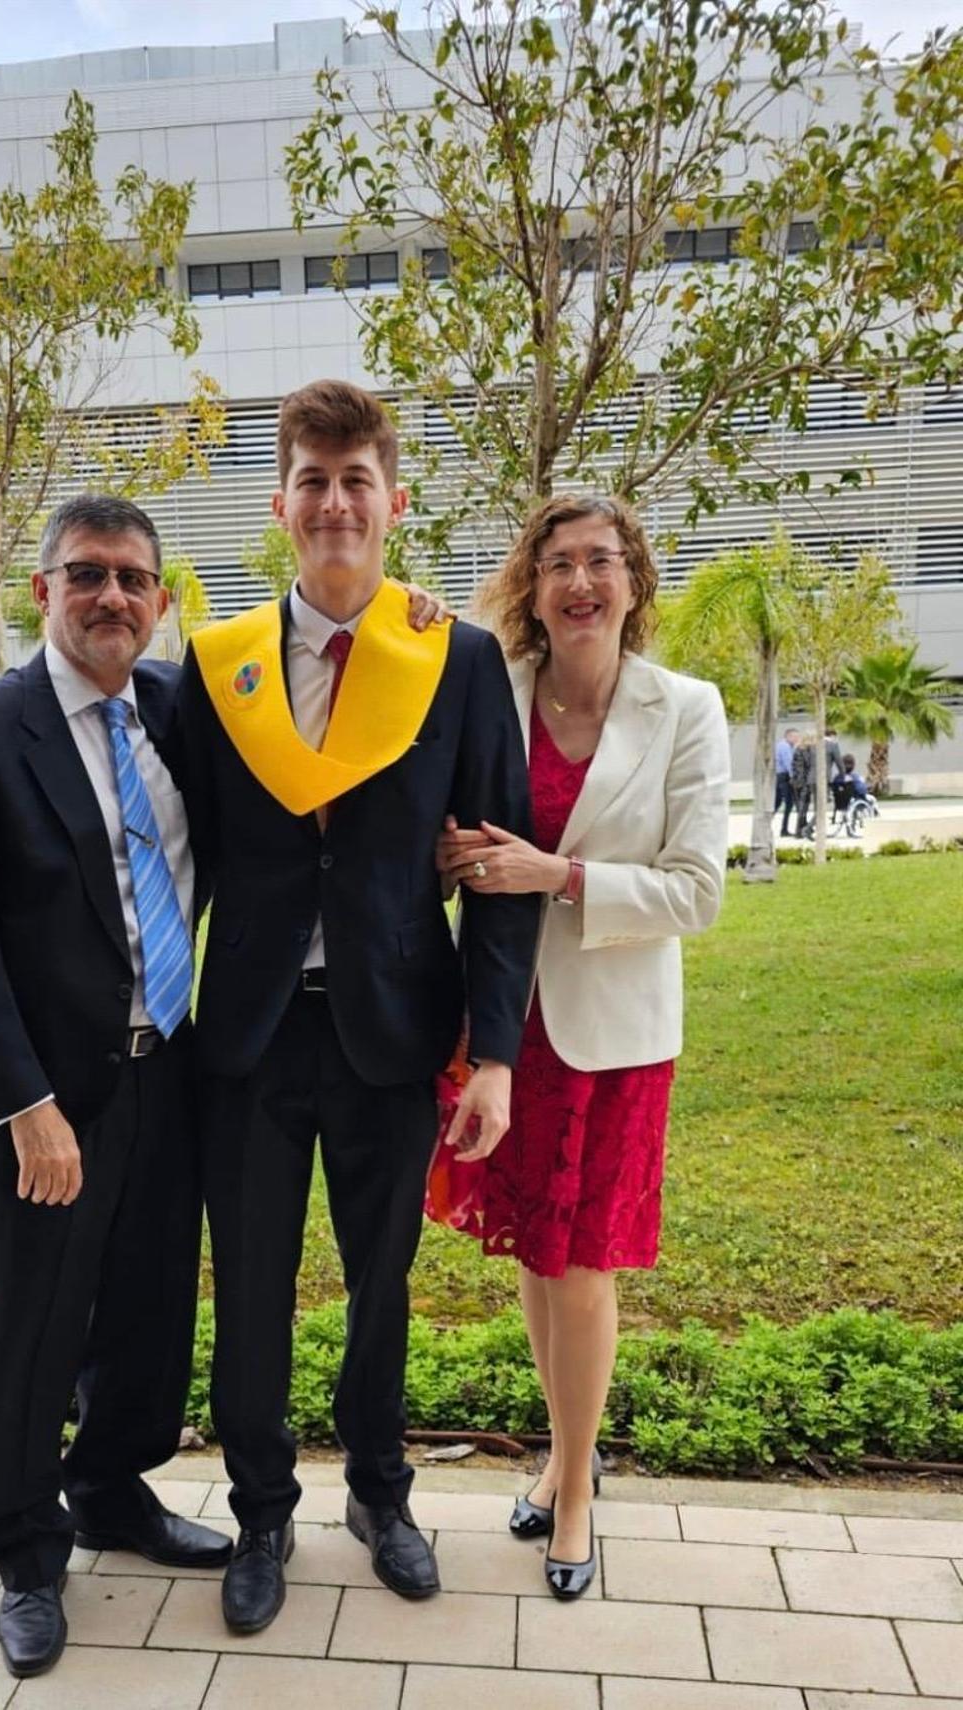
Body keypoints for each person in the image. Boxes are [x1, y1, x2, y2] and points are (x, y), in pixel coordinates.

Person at [178, 380, 539, 1636]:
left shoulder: (455, 657)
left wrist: (494, 1053)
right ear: (281, 504)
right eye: (313, 480)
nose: (336, 501)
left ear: (392, 500)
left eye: (357, 480)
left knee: (382, 1283)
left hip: (394, 1028)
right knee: (258, 1286)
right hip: (252, 1036)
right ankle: (263, 1509)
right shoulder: (215, 668)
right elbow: (172, 854)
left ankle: (381, 1495)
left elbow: (497, 871)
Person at [0, 494, 234, 1681]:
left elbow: (305, 727)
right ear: (40, 591)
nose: (110, 597)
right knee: (36, 1336)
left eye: (134, 579)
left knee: (148, 1314)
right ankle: (26, 1553)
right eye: (86, 574)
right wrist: (21, 1103)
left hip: (171, 1073)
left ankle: (109, 1492)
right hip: (48, 1098)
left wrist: (415, 618)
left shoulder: (183, 713)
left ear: (160, 602)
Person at [434, 493, 730, 1601]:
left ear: (635, 581)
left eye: (602, 561)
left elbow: (698, 894)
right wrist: (459, 858)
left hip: (615, 1036)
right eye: (558, 563)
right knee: (532, 1252)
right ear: (532, 586)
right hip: (506, 1023)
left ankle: (575, 1494)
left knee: (585, 1263)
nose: (580, 582)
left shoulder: (686, 710)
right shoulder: (492, 693)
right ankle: (564, 1449)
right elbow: (450, 833)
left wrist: (553, 874)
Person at [790, 731, 816, 839]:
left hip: (801, 781)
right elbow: (800, 769)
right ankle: (799, 830)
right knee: (802, 807)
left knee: (803, 806)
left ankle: (801, 828)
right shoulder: (802, 751)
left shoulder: (802, 750)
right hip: (802, 783)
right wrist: (803, 784)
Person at [774, 726, 798, 837]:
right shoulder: (784, 747)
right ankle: (784, 829)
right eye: (795, 737)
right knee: (789, 803)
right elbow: (789, 763)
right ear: (788, 736)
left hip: (780, 776)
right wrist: (794, 777)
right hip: (784, 777)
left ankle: (769, 826)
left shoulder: (786, 746)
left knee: (777, 802)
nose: (797, 739)